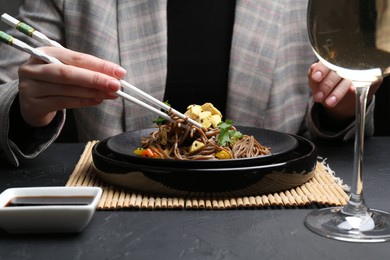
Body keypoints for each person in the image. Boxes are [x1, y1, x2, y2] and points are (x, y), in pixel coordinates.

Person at [0, 0, 378, 166]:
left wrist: (340, 109)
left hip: (274, 209)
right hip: (115, 209)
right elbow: (8, 90)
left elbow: (336, 125)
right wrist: (26, 108)